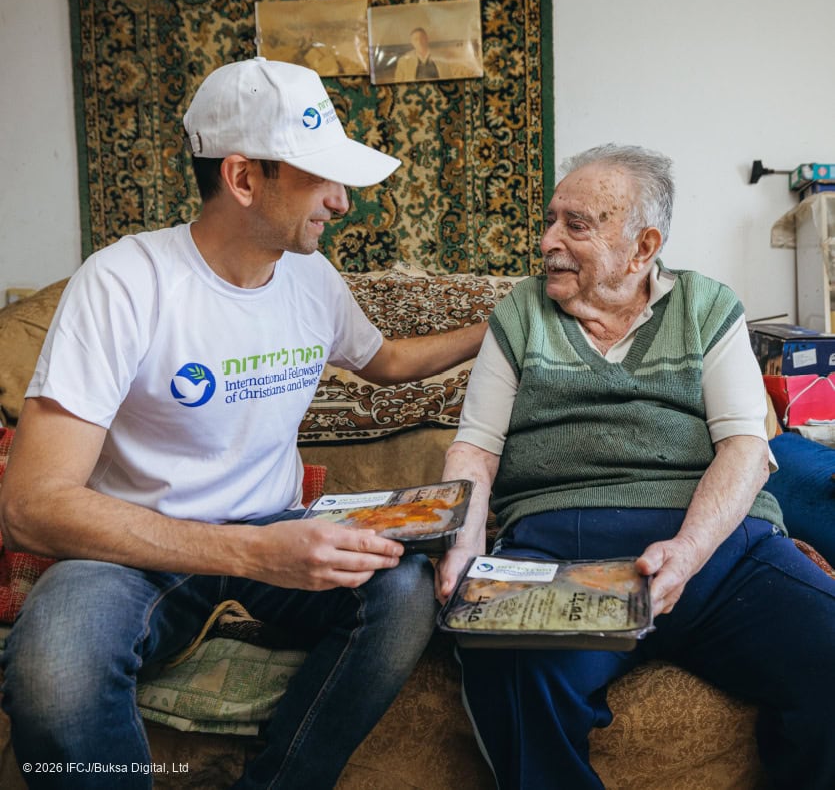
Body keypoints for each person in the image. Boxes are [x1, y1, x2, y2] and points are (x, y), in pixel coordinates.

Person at [0, 57, 487, 789]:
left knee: (401, 589)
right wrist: (255, 556)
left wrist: (492, 328)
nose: (341, 201)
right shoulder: (124, 282)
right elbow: (32, 506)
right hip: (130, 548)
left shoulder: (312, 277)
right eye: (320, 177)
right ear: (243, 178)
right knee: (52, 669)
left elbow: (382, 359)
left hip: (277, 518)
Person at [435, 144, 835, 789]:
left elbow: (744, 447)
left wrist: (688, 550)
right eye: (550, 220)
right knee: (505, 662)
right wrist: (463, 547)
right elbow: (475, 448)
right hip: (558, 550)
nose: (547, 241)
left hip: (716, 545)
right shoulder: (520, 312)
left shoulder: (707, 306)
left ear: (643, 245)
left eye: (577, 224)